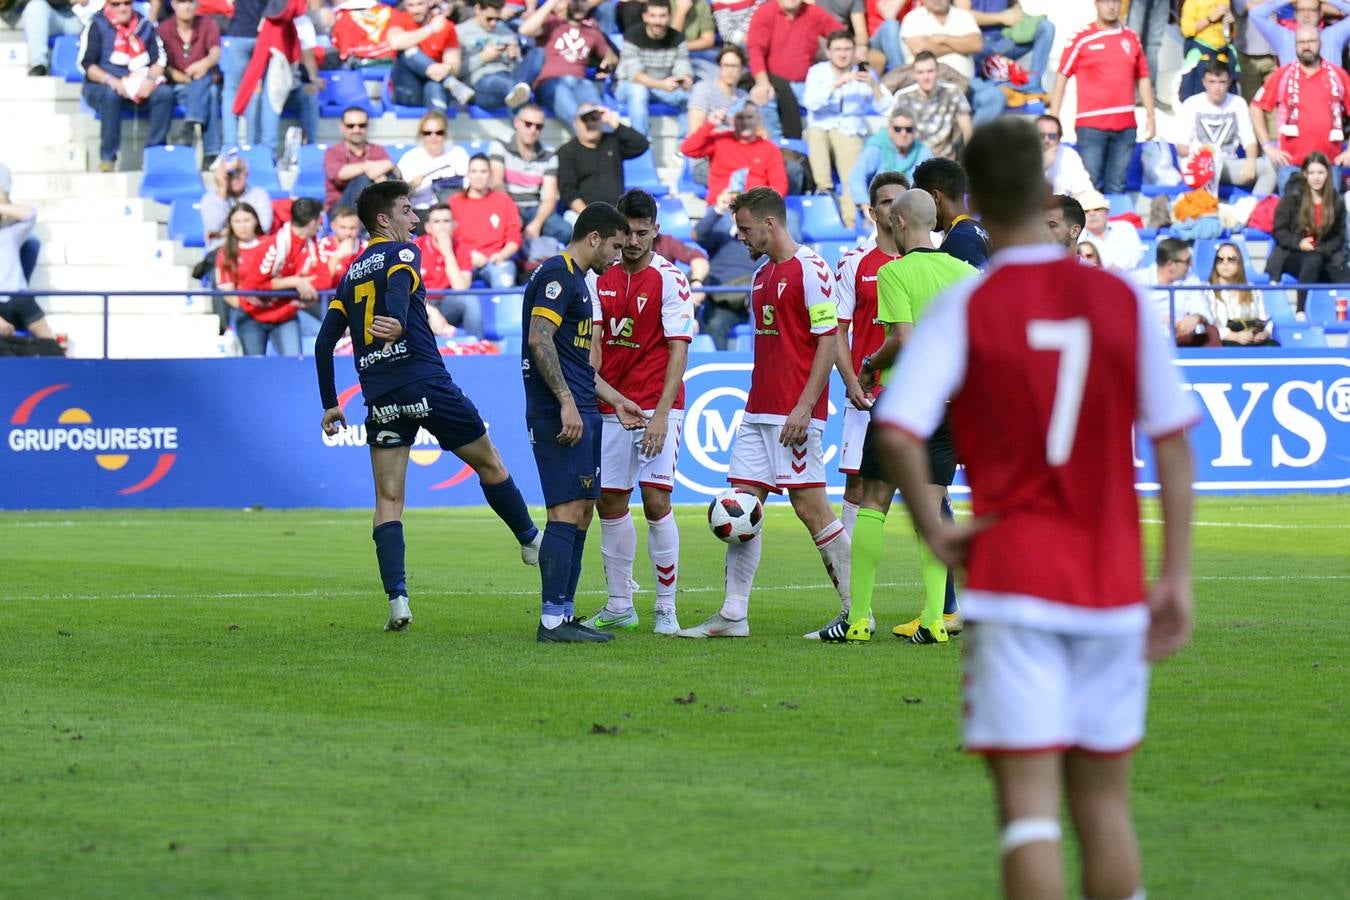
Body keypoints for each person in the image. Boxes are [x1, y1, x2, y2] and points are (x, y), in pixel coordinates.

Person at [874, 116, 1198, 900]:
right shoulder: (1118, 298)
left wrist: (937, 529)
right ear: (1046, 188)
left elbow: (896, 428)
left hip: (1014, 581)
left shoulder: (967, 306)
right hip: (1111, 581)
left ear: (972, 201)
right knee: (1105, 804)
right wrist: (1177, 575)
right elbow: (1174, 441)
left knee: (1029, 817)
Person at [315, 180, 544, 633]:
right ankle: (530, 540)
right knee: (491, 464)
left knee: (388, 499)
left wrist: (328, 403)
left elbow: (325, 342)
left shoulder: (350, 273)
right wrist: (399, 322)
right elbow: (399, 288)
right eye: (406, 210)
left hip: (379, 394)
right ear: (385, 219)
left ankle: (398, 599)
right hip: (424, 381)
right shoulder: (403, 253)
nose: (414, 219)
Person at [676, 187, 854, 640]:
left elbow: (827, 341)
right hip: (758, 410)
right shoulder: (759, 276)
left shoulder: (811, 269)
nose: (740, 237)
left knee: (811, 508)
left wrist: (804, 406)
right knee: (742, 506)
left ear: (770, 224)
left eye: (746, 228)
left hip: (794, 412)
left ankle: (857, 611)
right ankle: (734, 614)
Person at [821, 186, 973, 643]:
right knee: (932, 507)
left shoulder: (895, 273)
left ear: (900, 223)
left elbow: (903, 340)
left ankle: (858, 619)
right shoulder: (965, 273)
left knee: (874, 503)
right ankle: (933, 621)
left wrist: (869, 364)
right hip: (949, 404)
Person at [522, 202, 648, 643]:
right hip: (562, 414)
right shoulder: (558, 275)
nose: (618, 254)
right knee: (565, 511)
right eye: (614, 245)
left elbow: (577, 363)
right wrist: (565, 403)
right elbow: (539, 339)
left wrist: (618, 400)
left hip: (582, 409)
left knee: (582, 513)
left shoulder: (576, 280)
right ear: (594, 237)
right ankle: (552, 621)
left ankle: (566, 613)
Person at [582, 190, 696, 635]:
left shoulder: (671, 279)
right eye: (626, 232)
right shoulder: (599, 279)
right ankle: (619, 605)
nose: (632, 241)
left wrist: (662, 415)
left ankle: (665, 607)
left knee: (656, 500)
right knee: (610, 501)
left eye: (641, 232)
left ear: (656, 231)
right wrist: (608, 398)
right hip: (611, 404)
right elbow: (593, 345)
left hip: (656, 405)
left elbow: (677, 351)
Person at [829, 172, 906, 543]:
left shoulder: (929, 259)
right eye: (887, 202)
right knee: (857, 490)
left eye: (901, 201)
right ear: (872, 212)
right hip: (866, 395)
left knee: (930, 490)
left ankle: (944, 598)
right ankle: (854, 596)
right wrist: (850, 383)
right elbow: (836, 331)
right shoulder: (854, 261)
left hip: (915, 394)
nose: (894, 209)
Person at [1050, 0, 1157, 195]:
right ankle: (1087, 226)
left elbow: (1143, 77)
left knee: (1117, 186)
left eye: (1116, 1)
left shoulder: (1131, 37)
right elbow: (1062, 75)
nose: (1111, 6)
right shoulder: (1081, 38)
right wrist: (1054, 116)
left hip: (1126, 127)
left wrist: (1151, 115)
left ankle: (1115, 224)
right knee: (1089, 186)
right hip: (1091, 127)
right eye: (1106, 1)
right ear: (1096, 4)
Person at [802, 29, 892, 228]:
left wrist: (874, 85)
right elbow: (810, 102)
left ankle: (851, 223)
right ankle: (824, 189)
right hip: (822, 126)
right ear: (828, 52)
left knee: (852, 174)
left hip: (849, 130)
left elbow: (887, 107)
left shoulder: (864, 73)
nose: (842, 54)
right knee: (816, 133)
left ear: (854, 52)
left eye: (847, 49)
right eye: (837, 49)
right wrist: (836, 85)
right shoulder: (817, 71)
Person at [79, 0, 175, 172]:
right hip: (104, 83)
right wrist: (112, 80)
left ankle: (154, 154)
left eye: (127, 3)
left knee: (165, 94)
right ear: (109, 5)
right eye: (116, 4)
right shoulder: (96, 24)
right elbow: (87, 65)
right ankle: (108, 157)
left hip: (140, 82)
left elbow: (159, 60)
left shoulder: (144, 24)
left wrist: (150, 80)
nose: (123, 8)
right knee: (110, 95)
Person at [1251, 25, 1350, 192]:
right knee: (1292, 217)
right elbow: (1255, 107)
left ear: (1320, 43)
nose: (1306, 46)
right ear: (1295, 46)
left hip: (1329, 166)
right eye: (1301, 42)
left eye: (1311, 41)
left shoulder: (1338, 75)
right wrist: (1267, 146)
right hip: (1292, 167)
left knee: (1328, 218)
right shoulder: (1283, 75)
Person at [236, 197, 326, 355]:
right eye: (320, 218)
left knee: (295, 365)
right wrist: (295, 282)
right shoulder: (274, 244)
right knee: (255, 369)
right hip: (254, 315)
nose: (321, 222)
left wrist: (299, 288)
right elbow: (255, 286)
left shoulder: (313, 245)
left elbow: (323, 280)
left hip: (286, 314)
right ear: (313, 222)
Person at [1176, 59, 1277, 195]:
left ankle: (1253, 208)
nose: (1217, 88)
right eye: (1212, 82)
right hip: (1200, 165)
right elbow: (1182, 148)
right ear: (1204, 82)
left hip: (1228, 164)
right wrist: (1202, 155)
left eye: (1222, 82)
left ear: (1229, 82)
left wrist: (1251, 160)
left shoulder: (1238, 103)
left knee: (1270, 167)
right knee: (1208, 162)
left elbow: (1249, 140)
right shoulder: (1192, 104)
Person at [1266, 150, 1348, 316]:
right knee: (1313, 260)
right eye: (1311, 173)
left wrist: (1323, 249)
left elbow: (1339, 236)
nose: (1316, 177)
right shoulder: (1293, 197)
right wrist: (1299, 244)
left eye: (1320, 172)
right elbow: (1279, 230)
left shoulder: (1335, 201)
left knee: (1343, 275)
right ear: (1305, 174)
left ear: (1328, 174)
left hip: (1324, 253)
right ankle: (1301, 310)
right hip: (1292, 253)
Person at [745, 0, 843, 140]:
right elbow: (755, 51)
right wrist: (763, 83)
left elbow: (841, 37)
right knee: (764, 98)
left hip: (807, 85)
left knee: (833, 100)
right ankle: (776, 147)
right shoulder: (764, 13)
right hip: (775, 84)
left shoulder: (813, 12)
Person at [901, 0, 1004, 124]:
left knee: (994, 97)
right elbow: (920, 50)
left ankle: (971, 141)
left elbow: (976, 45)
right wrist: (961, 45)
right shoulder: (914, 17)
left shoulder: (964, 16)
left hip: (967, 83)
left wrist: (942, 39)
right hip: (931, 83)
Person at [518, 0, 616, 129]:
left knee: (600, 116)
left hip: (580, 83)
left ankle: (606, 143)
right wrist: (551, 4)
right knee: (579, 120)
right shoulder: (551, 22)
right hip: (551, 83)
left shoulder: (591, 30)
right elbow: (524, 30)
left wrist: (609, 59)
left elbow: (612, 58)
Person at [487, 106, 573, 248]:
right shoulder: (500, 145)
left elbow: (550, 197)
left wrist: (536, 224)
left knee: (566, 231)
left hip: (534, 210)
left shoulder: (549, 154)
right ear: (516, 123)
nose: (533, 130)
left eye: (538, 126)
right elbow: (497, 184)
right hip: (505, 205)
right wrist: (513, 216)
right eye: (528, 124)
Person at [680, 103, 789, 206]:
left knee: (791, 218)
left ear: (758, 120)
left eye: (750, 117)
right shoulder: (721, 140)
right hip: (723, 205)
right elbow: (688, 149)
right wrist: (711, 124)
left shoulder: (770, 149)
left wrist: (764, 205)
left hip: (756, 208)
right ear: (733, 120)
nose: (745, 122)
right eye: (740, 118)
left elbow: (779, 184)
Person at [157, 0, 222, 167]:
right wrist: (181, 76)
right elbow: (160, 64)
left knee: (211, 88)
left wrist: (203, 64)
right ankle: (211, 153)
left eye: (191, 2)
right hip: (178, 85)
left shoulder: (208, 24)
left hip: (202, 81)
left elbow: (215, 53)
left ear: (197, 4)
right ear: (173, 5)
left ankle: (190, 125)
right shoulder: (163, 29)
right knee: (211, 92)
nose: (186, 6)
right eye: (181, 2)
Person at [615, 0, 694, 136]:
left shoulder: (677, 38)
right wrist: (661, 84)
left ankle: (684, 149)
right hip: (628, 86)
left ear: (669, 17)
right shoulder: (632, 36)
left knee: (693, 98)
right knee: (639, 91)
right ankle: (641, 146)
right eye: (653, 16)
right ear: (645, 17)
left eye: (662, 16)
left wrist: (685, 78)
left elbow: (683, 64)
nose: (657, 21)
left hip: (662, 88)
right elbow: (635, 76)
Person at [557, 104, 650, 218]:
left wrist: (612, 120)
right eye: (585, 119)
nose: (590, 123)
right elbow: (568, 191)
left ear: (601, 120)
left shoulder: (612, 142)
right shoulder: (566, 151)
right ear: (575, 123)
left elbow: (641, 145)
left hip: (616, 212)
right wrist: (589, 215)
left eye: (594, 118)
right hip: (582, 214)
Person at [693, 188, 757, 348]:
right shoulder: (721, 238)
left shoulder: (761, 243)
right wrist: (719, 209)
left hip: (745, 302)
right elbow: (698, 235)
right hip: (717, 298)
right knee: (714, 322)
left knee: (716, 324)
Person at [449, 154, 522, 291]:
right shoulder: (455, 202)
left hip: (497, 259)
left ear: (490, 174)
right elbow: (449, 236)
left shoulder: (503, 200)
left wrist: (502, 255)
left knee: (505, 286)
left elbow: (514, 236)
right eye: (474, 171)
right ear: (468, 174)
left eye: (483, 171)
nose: (478, 176)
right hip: (465, 260)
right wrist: (469, 254)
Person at [387, 0, 476, 112]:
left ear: (430, 3)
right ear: (405, 6)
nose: (415, 10)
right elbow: (395, 43)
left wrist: (446, 68)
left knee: (434, 87)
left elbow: (454, 64)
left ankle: (438, 124)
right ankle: (449, 82)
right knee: (407, 50)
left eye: (420, 4)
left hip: (435, 82)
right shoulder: (400, 18)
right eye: (411, 5)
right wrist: (430, 29)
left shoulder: (446, 25)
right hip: (407, 85)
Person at [955, 0, 1054, 96]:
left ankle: (1033, 83)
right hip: (979, 45)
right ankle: (996, 86)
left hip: (1004, 40)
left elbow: (1014, 4)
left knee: (1046, 27)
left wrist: (1016, 12)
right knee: (976, 53)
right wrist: (1001, 18)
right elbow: (963, 14)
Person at [891, 50, 972, 161]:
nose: (926, 77)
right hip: (912, 159)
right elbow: (893, 132)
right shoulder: (903, 97)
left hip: (945, 160)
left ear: (937, 72)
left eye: (930, 71)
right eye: (920, 72)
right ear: (914, 75)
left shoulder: (952, 92)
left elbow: (967, 130)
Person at [849, 107, 932, 213]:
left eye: (908, 129)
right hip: (880, 209)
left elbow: (930, 184)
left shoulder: (923, 152)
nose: (903, 133)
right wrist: (866, 207)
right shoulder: (877, 147)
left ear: (915, 130)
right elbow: (857, 177)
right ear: (889, 129)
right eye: (898, 129)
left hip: (913, 211)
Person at [457, 0, 535, 111]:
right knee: (500, 83)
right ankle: (516, 91)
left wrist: (513, 57)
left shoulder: (507, 33)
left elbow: (516, 68)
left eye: (498, 19)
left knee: (538, 53)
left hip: (508, 76)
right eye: (489, 19)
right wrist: (483, 57)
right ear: (477, 9)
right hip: (480, 83)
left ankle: (516, 92)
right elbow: (456, 72)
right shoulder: (460, 32)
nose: (493, 23)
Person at [914, 156, 990, 269]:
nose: (916, 209)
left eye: (918, 199)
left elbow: (976, 285)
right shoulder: (977, 229)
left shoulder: (959, 240)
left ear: (935, 196)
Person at [0, 192, 56, 341]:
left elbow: (29, 214)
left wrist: (2, 207)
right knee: (5, 332)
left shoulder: (9, 233)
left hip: (18, 298)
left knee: (49, 343)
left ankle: (60, 362)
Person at [1131, 236, 1213, 332]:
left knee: (1212, 332)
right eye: (1187, 261)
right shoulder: (1138, 280)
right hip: (1148, 334)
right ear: (1170, 264)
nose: (1191, 265)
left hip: (1182, 335)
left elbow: (1204, 311)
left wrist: (1197, 317)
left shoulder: (1191, 279)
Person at [324, 107, 396, 213]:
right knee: (363, 179)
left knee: (390, 178)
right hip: (340, 211)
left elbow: (393, 171)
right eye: (350, 126)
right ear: (342, 127)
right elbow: (339, 174)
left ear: (368, 126)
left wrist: (389, 165)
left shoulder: (377, 150)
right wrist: (366, 167)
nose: (356, 130)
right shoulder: (333, 152)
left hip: (373, 207)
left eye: (362, 125)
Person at [397, 111, 471, 214]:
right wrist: (412, 185)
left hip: (453, 211)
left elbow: (470, 185)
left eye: (439, 132)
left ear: (445, 134)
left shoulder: (458, 154)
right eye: (428, 133)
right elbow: (396, 196)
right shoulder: (410, 158)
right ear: (421, 135)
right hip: (420, 211)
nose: (433, 137)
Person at [1207, 241, 1279, 343]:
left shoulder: (1252, 289)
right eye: (1220, 259)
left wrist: (1264, 334)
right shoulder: (1207, 290)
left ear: (1239, 262)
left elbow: (1265, 320)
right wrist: (1234, 336)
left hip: (1253, 341)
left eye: (1231, 259)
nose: (1225, 263)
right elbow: (1208, 326)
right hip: (1224, 343)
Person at [202, 151, 273, 251]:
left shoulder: (259, 195)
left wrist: (222, 233)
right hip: (220, 252)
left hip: (252, 251)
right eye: (229, 174)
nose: (235, 177)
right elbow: (213, 227)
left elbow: (264, 227)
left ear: (247, 174)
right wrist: (222, 190)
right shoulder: (210, 198)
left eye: (238, 172)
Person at [213, 202, 267, 332]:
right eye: (237, 221)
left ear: (256, 221)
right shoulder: (224, 252)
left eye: (247, 220)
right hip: (245, 312)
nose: (242, 226)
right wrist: (248, 308)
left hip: (275, 308)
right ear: (231, 225)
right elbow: (226, 290)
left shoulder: (271, 244)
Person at [1249, 0, 1350, 67]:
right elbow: (1256, 14)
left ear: (1320, 13)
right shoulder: (1283, 37)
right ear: (1295, 14)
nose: (1306, 15)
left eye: (1312, 10)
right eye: (1302, 10)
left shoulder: (1334, 36)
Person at [1178, 0, 1238, 100]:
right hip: (1201, 58)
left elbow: (1231, 35)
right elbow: (1186, 30)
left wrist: (1232, 24)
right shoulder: (1191, 2)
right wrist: (1211, 18)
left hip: (1223, 57)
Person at [688, 45, 751, 135]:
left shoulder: (744, 97)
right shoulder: (703, 89)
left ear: (742, 70)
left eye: (735, 66)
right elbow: (695, 132)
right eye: (726, 65)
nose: (730, 70)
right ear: (719, 67)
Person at [1077, 189, 1143, 272]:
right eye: (1086, 211)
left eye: (1097, 209)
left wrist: (1110, 273)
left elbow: (1135, 255)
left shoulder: (1125, 228)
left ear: (1107, 212)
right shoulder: (1077, 239)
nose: (1092, 214)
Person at [415, 202, 474, 296]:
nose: (442, 227)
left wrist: (448, 253)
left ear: (454, 225)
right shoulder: (415, 247)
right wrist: (429, 309)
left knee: (469, 301)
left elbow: (461, 289)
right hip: (423, 302)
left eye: (446, 221)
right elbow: (406, 291)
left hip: (449, 300)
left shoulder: (463, 248)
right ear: (428, 227)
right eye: (436, 222)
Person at [22, 0, 89, 77]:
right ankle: (39, 64)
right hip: (50, 16)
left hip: (80, 17)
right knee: (35, 6)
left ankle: (99, 67)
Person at [1038, 114, 1094, 197]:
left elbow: (1083, 189)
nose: (1046, 140)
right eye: (1041, 135)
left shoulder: (1069, 155)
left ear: (1059, 138)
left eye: (1052, 136)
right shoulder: (1020, 155)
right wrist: (1043, 165)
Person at [317, 205, 367, 287]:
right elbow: (321, 280)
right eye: (343, 227)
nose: (348, 233)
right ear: (333, 226)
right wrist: (338, 255)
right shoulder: (322, 246)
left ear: (359, 228)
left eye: (352, 228)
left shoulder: (367, 248)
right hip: (329, 298)